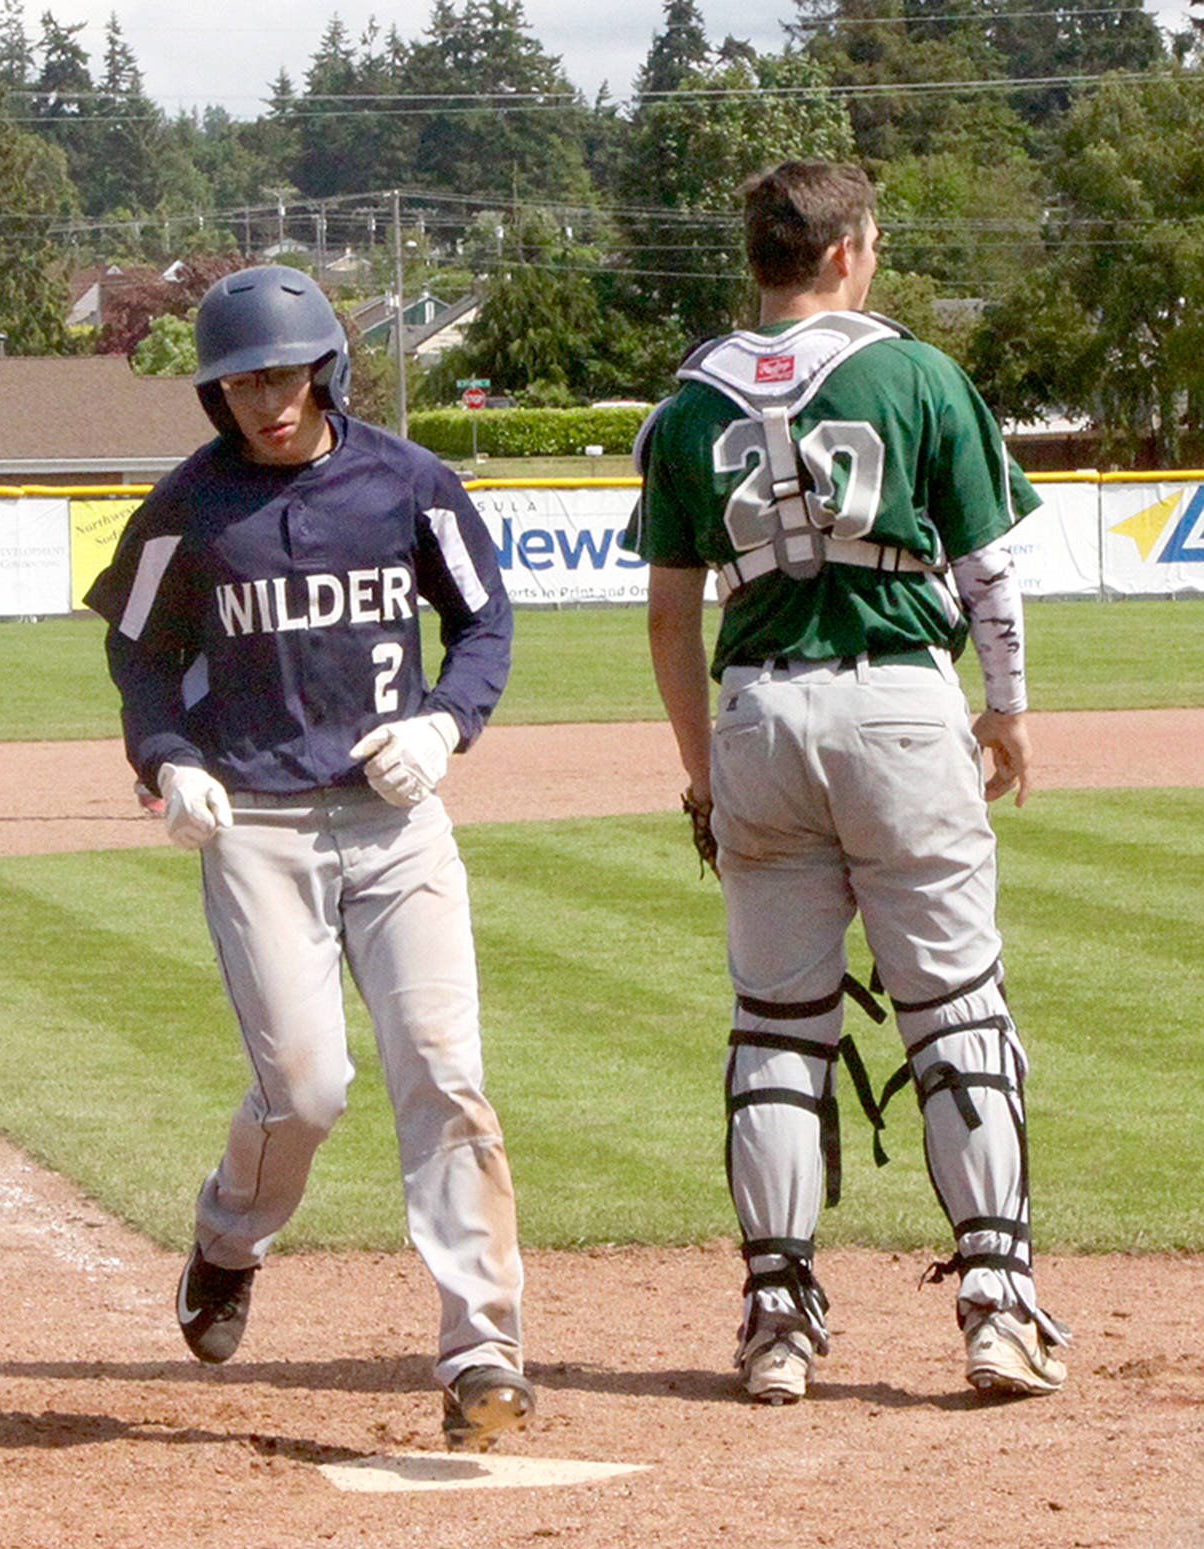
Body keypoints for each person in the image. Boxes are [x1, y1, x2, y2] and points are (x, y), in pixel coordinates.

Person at [630, 158, 1068, 1405]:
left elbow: (668, 623)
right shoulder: (917, 372)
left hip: (758, 712)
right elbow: (984, 574)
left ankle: (776, 1322)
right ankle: (994, 1305)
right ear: (841, 251)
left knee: (775, 1027)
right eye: (868, 237)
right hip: (895, 707)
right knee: (954, 1011)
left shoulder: (684, 406)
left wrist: (701, 774)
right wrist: (1011, 713)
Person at [83, 266, 533, 1451]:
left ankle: (480, 1344)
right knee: (306, 1087)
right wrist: (165, 756)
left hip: (395, 821)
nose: (263, 402)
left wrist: (444, 722)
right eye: (238, 384)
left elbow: (482, 620)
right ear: (213, 396)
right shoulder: (187, 508)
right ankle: (229, 1239)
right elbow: (137, 657)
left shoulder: (408, 482)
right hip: (257, 829)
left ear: (324, 368)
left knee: (440, 1070)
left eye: (281, 376)